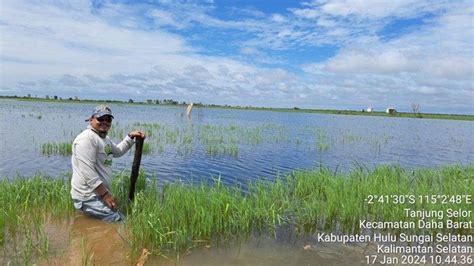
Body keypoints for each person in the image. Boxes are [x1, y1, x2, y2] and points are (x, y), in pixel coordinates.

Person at [71, 105, 145, 222]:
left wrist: (130, 137)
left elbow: (117, 152)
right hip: (88, 197)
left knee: (117, 215)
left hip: (98, 194)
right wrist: (106, 195)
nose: (105, 122)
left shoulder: (104, 139)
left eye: (108, 119)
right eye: (101, 118)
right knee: (119, 221)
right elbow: (88, 172)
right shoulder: (86, 139)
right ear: (91, 120)